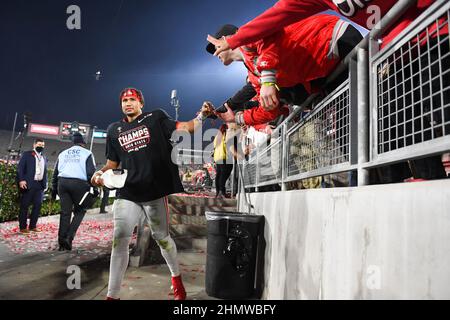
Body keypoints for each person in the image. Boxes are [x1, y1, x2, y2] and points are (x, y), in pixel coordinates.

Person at [90, 87, 214, 300]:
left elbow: (184, 128)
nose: (127, 103)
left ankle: (176, 279)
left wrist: (202, 115)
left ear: (141, 103)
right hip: (128, 191)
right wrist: (99, 173)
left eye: (132, 99)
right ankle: (112, 295)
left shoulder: (155, 117)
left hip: (154, 191)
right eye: (124, 100)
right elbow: (112, 163)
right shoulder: (114, 129)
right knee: (119, 240)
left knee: (162, 238)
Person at [207, 15, 362, 126]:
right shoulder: (253, 75)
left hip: (334, 39)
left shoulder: (248, 37)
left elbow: (267, 36)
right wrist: (237, 119)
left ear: (225, 39)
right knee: (348, 132)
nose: (215, 54)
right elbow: (270, 110)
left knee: (367, 113)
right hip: (328, 70)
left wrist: (268, 79)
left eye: (215, 46)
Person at [207, 0, 443, 56]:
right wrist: (234, 40)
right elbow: (277, 15)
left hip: (439, 20)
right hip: (405, 43)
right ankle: (429, 179)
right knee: (408, 112)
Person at [51, 132, 96, 251]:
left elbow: (55, 173)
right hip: (79, 184)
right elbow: (91, 173)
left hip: (62, 183)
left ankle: (61, 242)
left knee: (65, 213)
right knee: (80, 211)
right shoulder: (87, 153)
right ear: (83, 143)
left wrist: (54, 189)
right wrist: (94, 188)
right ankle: (69, 237)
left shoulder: (63, 153)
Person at [16, 139, 47, 234]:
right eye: (39, 144)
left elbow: (44, 172)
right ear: (34, 144)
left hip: (39, 184)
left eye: (42, 145)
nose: (40, 146)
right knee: (25, 206)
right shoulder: (27, 154)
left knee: (37, 206)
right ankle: (23, 227)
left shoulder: (44, 157)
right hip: (29, 183)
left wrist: (45, 184)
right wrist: (21, 180)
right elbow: (20, 168)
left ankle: (33, 226)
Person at [213, 124, 234, 198]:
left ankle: (218, 192)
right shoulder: (226, 134)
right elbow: (228, 145)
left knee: (219, 175)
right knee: (224, 174)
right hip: (225, 157)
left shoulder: (217, 136)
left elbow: (214, 146)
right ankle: (222, 192)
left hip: (217, 157)